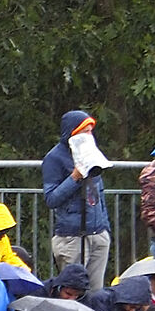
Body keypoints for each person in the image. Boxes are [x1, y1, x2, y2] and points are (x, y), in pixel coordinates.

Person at [42, 111, 110, 285]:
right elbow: (51, 199)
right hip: (72, 237)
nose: (89, 136)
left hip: (97, 234)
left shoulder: (93, 154)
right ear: (72, 133)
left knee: (96, 294)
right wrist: (74, 177)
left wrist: (105, 229)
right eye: (84, 131)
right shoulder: (54, 158)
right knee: (73, 292)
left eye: (90, 131)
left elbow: (100, 193)